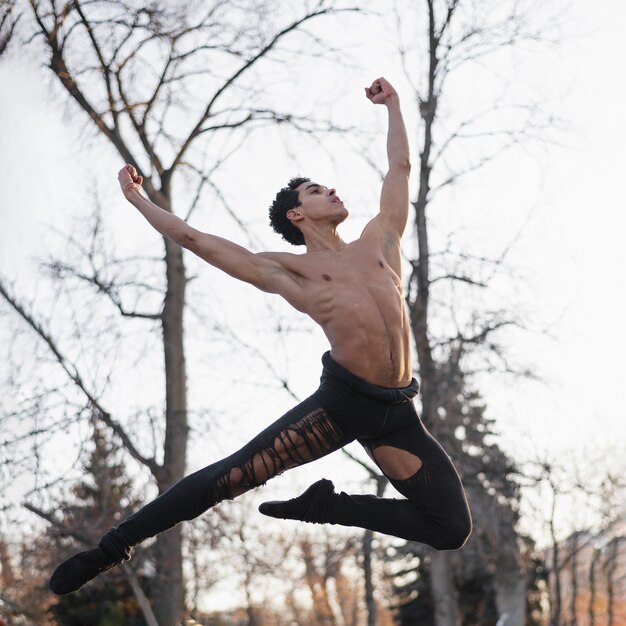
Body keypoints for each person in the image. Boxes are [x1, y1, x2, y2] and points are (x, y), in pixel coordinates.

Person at [49, 77, 472, 596]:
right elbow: (194, 239)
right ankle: (110, 548)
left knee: (451, 527)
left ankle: (327, 506)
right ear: (297, 214)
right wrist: (137, 199)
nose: (332, 190)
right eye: (317, 190)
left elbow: (400, 168)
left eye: (329, 185)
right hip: (340, 406)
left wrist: (394, 107)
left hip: (397, 414)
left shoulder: (380, 238)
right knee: (231, 476)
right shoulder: (286, 271)